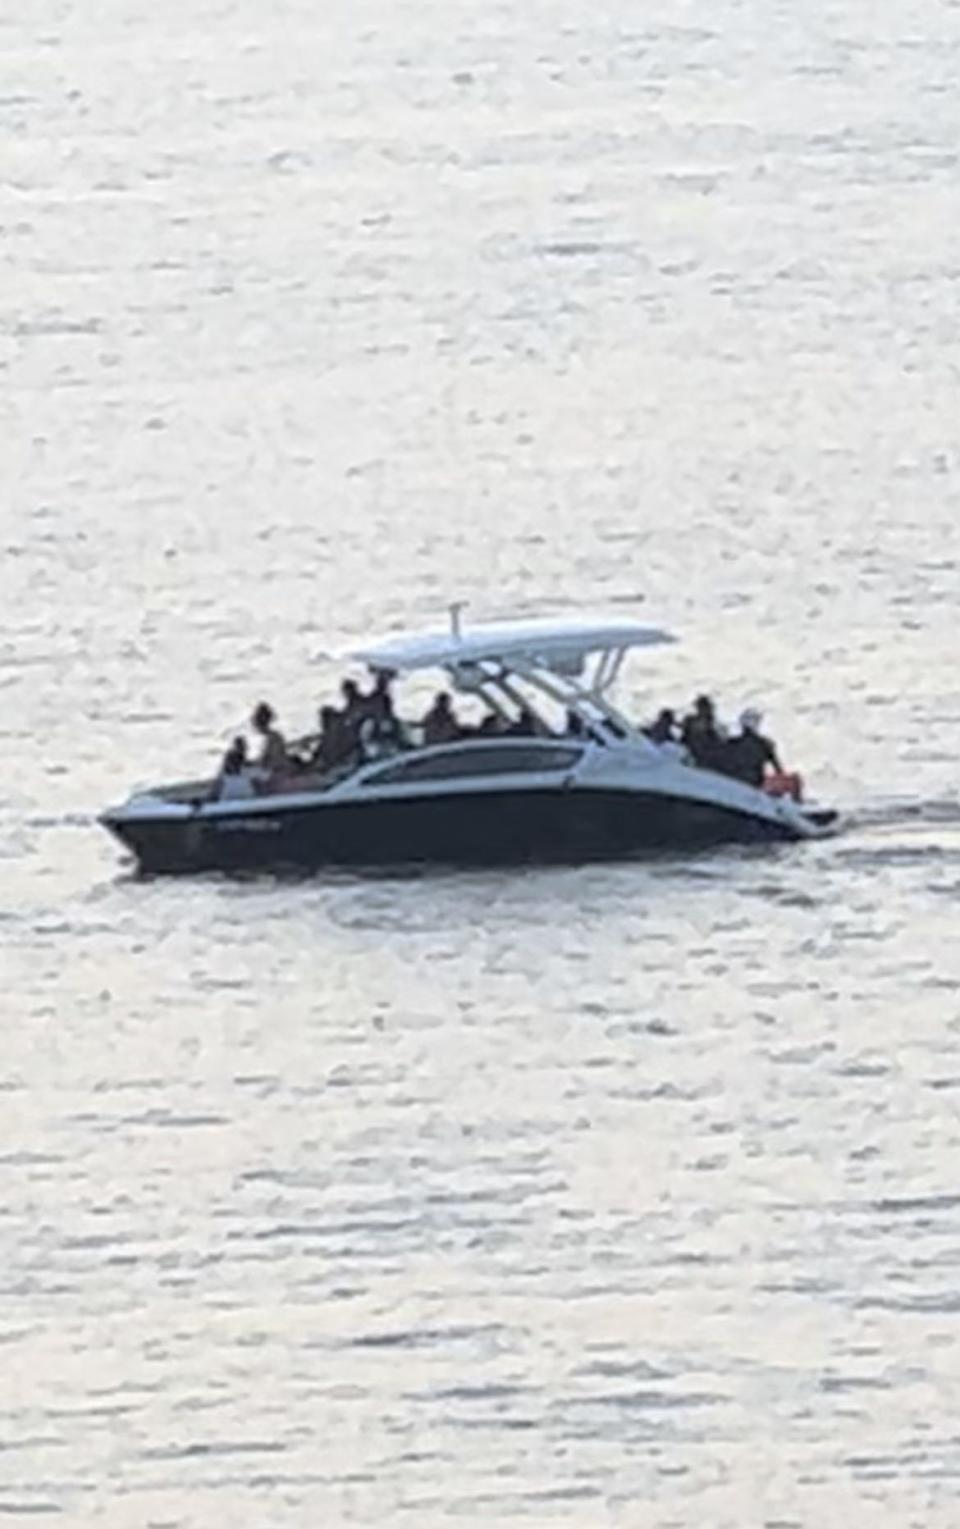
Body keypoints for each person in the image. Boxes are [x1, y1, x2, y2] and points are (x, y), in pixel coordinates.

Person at [725, 708, 783, 788]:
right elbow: (779, 771)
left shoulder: (731, 743)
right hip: (755, 785)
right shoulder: (765, 744)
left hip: (734, 784)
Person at [680, 694, 724, 769]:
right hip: (698, 754)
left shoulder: (713, 724)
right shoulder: (691, 721)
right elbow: (686, 739)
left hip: (709, 754)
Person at [251, 701, 288, 778]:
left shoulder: (274, 738)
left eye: (259, 722)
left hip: (275, 775)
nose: (256, 725)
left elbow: (276, 760)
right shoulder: (273, 737)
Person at [215, 736, 256, 800]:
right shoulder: (231, 755)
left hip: (231, 778)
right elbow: (233, 769)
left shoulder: (240, 755)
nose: (245, 749)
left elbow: (244, 764)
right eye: (242, 747)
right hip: (231, 780)